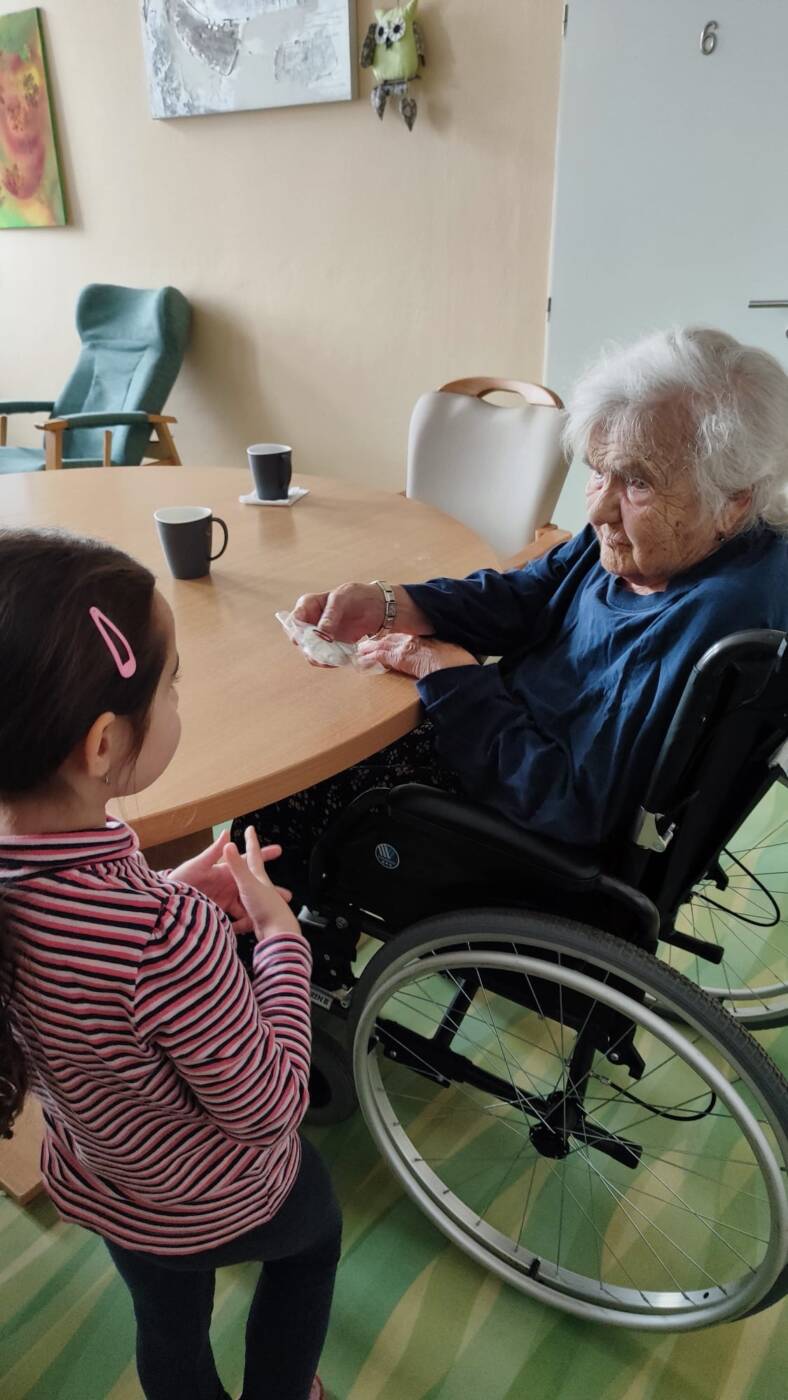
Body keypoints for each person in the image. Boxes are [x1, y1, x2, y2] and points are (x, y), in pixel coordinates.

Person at [234, 327, 788, 904]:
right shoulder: (671, 545)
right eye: (598, 471)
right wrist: (395, 604)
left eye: (639, 483)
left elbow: (570, 806)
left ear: (734, 499)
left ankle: (273, 950)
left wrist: (449, 675)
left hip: (521, 830)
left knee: (281, 804)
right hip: (504, 746)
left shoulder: (710, 615)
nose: (598, 509)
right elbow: (528, 595)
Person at [0, 531, 339, 1400]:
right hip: (217, 1198)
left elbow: (81, 951)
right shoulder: (166, 937)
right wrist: (282, 945)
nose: (179, 698)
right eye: (172, 683)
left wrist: (162, 887)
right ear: (103, 743)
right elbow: (270, 1108)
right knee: (312, 1244)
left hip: (107, 1184)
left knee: (166, 1324)